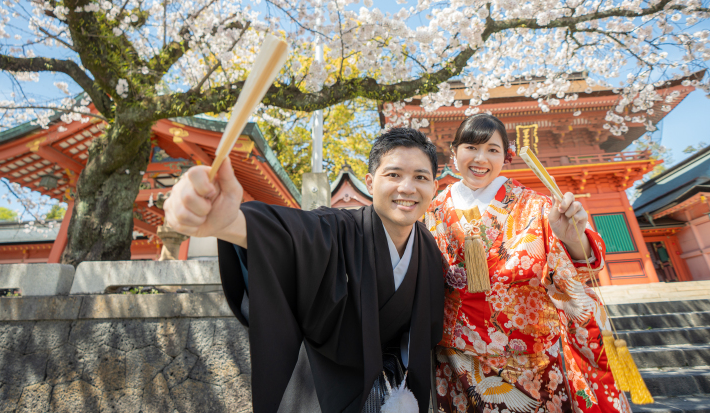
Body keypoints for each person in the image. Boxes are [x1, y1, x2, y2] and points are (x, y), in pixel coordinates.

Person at [163, 127, 445, 413]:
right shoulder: (338, 229)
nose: (407, 188)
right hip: (322, 392)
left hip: (394, 394)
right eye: (394, 175)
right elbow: (295, 233)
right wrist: (230, 223)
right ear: (370, 183)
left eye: (420, 177)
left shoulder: (429, 250)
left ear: (434, 187)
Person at [425, 114, 629, 413]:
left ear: (505, 157)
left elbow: (577, 272)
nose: (480, 158)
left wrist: (573, 239)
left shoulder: (536, 206)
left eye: (493, 150)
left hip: (531, 358)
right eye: (471, 147)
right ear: (454, 152)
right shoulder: (431, 211)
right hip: (458, 359)